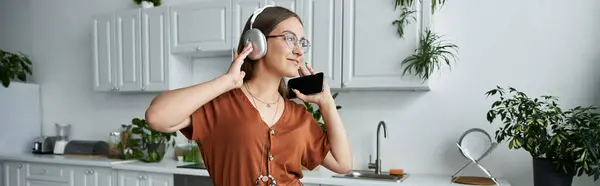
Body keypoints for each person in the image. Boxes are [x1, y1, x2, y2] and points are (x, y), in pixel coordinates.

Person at [144, 5, 352, 186]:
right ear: (257, 42)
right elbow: (157, 117)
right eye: (289, 39)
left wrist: (326, 103)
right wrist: (226, 81)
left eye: (302, 42)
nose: (299, 51)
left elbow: (342, 164)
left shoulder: (299, 116)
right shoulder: (219, 105)